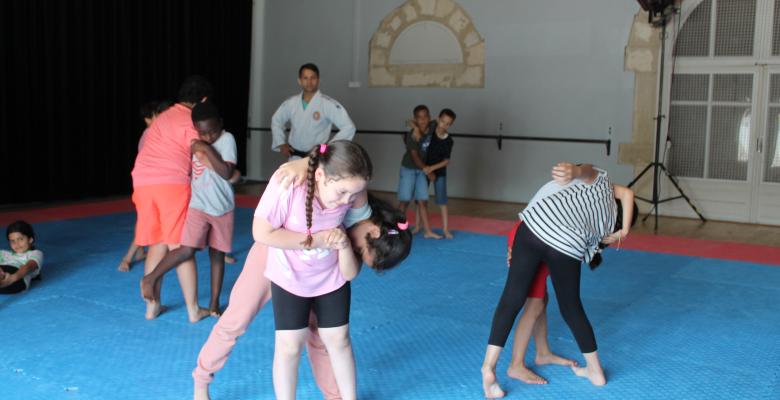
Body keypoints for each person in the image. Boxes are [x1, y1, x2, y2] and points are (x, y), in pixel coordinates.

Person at [192, 191, 412, 400]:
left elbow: (351, 271)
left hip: (318, 272)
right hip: (275, 254)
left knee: (323, 335)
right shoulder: (350, 199)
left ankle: (334, 395)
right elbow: (341, 166)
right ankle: (201, 380)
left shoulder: (355, 239)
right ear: (373, 231)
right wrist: (298, 165)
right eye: (362, 249)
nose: (357, 249)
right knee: (236, 319)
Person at [481, 162, 636, 398]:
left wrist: (575, 172)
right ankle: (595, 371)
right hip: (564, 243)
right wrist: (622, 232)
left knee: (512, 299)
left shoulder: (603, 185)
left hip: (534, 226)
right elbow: (592, 175)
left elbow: (623, 190)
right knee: (571, 307)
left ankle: (488, 367)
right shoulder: (603, 231)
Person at [140, 101, 237, 317]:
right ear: (196, 130)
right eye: (203, 134)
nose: (209, 136)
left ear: (220, 124)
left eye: (212, 131)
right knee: (185, 249)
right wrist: (199, 146)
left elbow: (226, 172)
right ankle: (151, 277)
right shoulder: (194, 141)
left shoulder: (227, 139)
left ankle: (213, 303)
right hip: (198, 206)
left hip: (222, 208)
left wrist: (204, 148)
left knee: (217, 255)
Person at [131, 75, 213, 321]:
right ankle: (193, 309)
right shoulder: (190, 120)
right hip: (170, 184)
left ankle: (152, 307)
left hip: (142, 182)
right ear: (204, 100)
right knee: (181, 246)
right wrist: (223, 172)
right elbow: (199, 150)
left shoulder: (164, 116)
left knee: (158, 242)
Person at [118, 100, 172, 272]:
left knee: (145, 221)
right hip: (151, 184)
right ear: (151, 118)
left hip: (150, 184)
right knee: (146, 222)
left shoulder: (154, 133)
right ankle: (127, 258)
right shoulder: (151, 133)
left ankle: (139, 251)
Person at [271, 63, 356, 159]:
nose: (309, 82)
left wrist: (327, 148)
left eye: (313, 78)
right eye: (305, 78)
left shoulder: (327, 104)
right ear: (299, 81)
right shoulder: (291, 103)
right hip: (294, 156)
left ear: (318, 80)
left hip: (317, 157)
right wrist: (281, 144)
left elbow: (349, 127)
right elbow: (276, 120)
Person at [398, 105, 440, 239]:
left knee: (422, 201)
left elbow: (441, 120)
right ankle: (399, 231)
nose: (423, 120)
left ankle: (427, 231)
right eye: (419, 118)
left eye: (425, 116)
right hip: (409, 169)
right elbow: (415, 158)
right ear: (416, 119)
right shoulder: (412, 135)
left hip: (422, 169)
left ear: (429, 117)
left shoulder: (432, 127)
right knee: (405, 201)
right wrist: (429, 172)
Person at [422, 108, 456, 238]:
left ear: (450, 125)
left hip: (439, 172)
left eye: (448, 124)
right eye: (442, 121)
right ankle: (421, 226)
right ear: (437, 119)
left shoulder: (449, 140)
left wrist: (432, 168)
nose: (444, 125)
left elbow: (446, 161)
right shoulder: (429, 130)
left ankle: (446, 229)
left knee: (442, 201)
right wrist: (427, 168)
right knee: (421, 200)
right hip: (424, 169)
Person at [0, 221, 43, 294]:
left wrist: (11, 279)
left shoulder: (36, 253)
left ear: (30, 239)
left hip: (17, 277)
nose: (17, 244)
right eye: (12, 241)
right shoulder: (4, 253)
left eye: (20, 239)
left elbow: (28, 267)